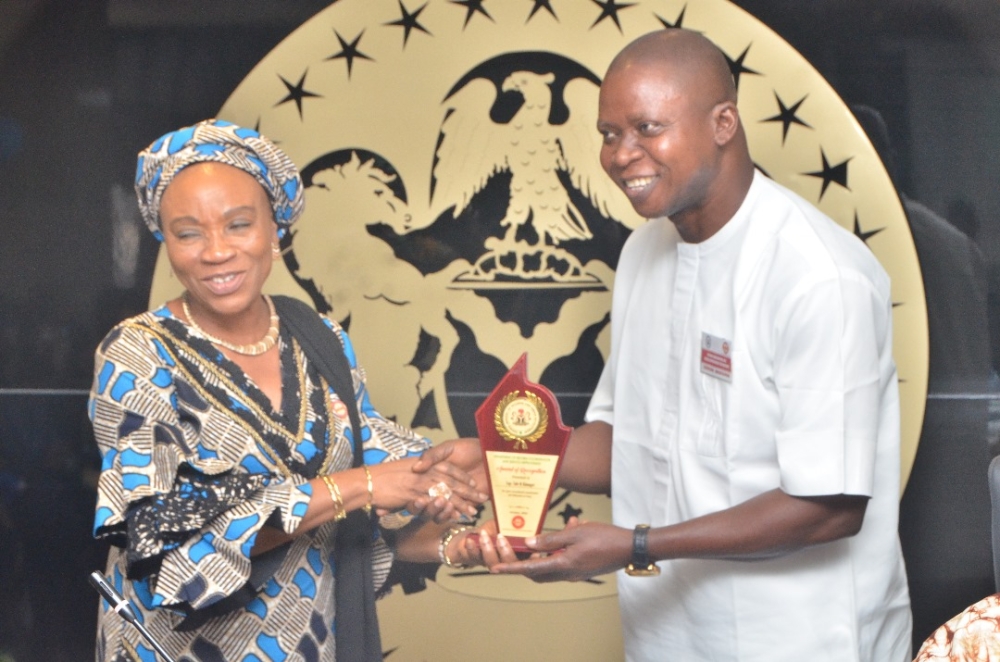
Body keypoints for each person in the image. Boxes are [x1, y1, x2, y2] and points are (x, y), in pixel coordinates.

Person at [477, 29, 912, 661]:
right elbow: (625, 443)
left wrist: (635, 546)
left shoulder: (819, 275)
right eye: (608, 133)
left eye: (648, 128)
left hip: (801, 638)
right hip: (668, 636)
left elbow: (828, 506)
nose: (623, 154)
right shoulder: (644, 251)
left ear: (723, 123)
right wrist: (492, 456)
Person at [89, 119, 487, 662]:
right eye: (188, 233)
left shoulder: (318, 337)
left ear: (275, 229)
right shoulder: (137, 354)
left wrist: (454, 503)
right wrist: (366, 484)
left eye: (238, 224)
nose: (215, 251)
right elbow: (166, 541)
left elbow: (377, 482)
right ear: (164, 241)